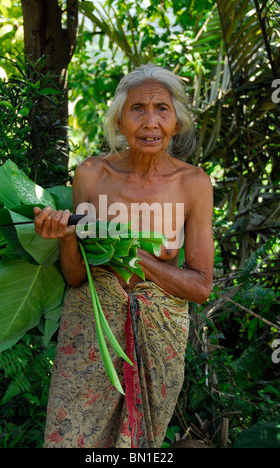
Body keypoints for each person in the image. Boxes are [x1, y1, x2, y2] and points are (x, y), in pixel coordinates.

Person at [34, 63, 214, 448]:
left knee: (136, 446)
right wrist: (66, 238)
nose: (150, 121)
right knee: (69, 437)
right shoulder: (91, 175)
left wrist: (137, 257)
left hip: (159, 330)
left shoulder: (193, 184)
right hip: (91, 328)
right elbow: (75, 278)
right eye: (137, 109)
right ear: (119, 120)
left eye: (162, 109)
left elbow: (200, 287)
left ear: (177, 122)